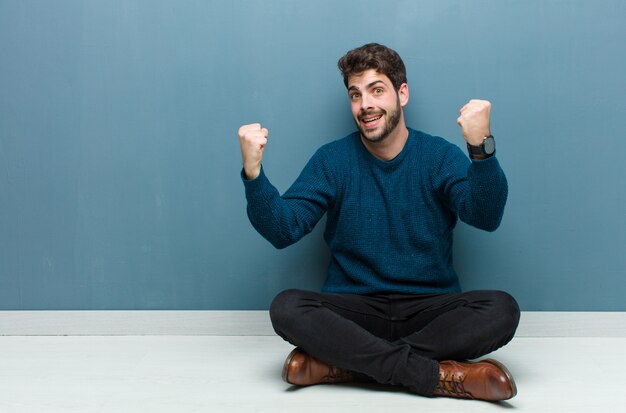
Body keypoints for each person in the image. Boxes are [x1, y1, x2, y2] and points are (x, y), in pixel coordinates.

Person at [237, 43, 520, 402]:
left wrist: (481, 148)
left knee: (502, 310)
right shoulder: (332, 160)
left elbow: (486, 216)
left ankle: (344, 364)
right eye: (355, 95)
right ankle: (435, 376)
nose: (365, 104)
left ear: (402, 94)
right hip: (355, 309)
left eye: (376, 90)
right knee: (287, 307)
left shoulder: (437, 156)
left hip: (429, 309)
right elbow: (283, 229)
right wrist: (253, 172)